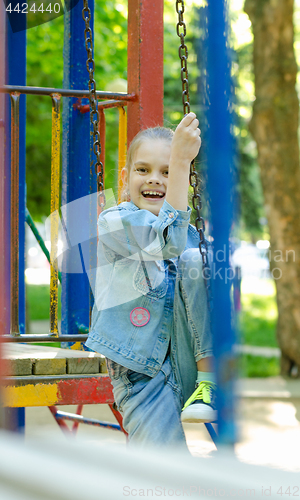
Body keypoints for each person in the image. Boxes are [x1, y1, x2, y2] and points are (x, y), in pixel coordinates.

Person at [86, 113, 216, 447]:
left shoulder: (187, 238)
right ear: (126, 177)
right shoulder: (114, 222)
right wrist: (180, 158)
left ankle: (209, 380)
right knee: (163, 473)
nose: (154, 180)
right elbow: (166, 241)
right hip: (139, 373)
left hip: (185, 359)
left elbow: (184, 251)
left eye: (168, 171)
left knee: (197, 261)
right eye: (143, 170)